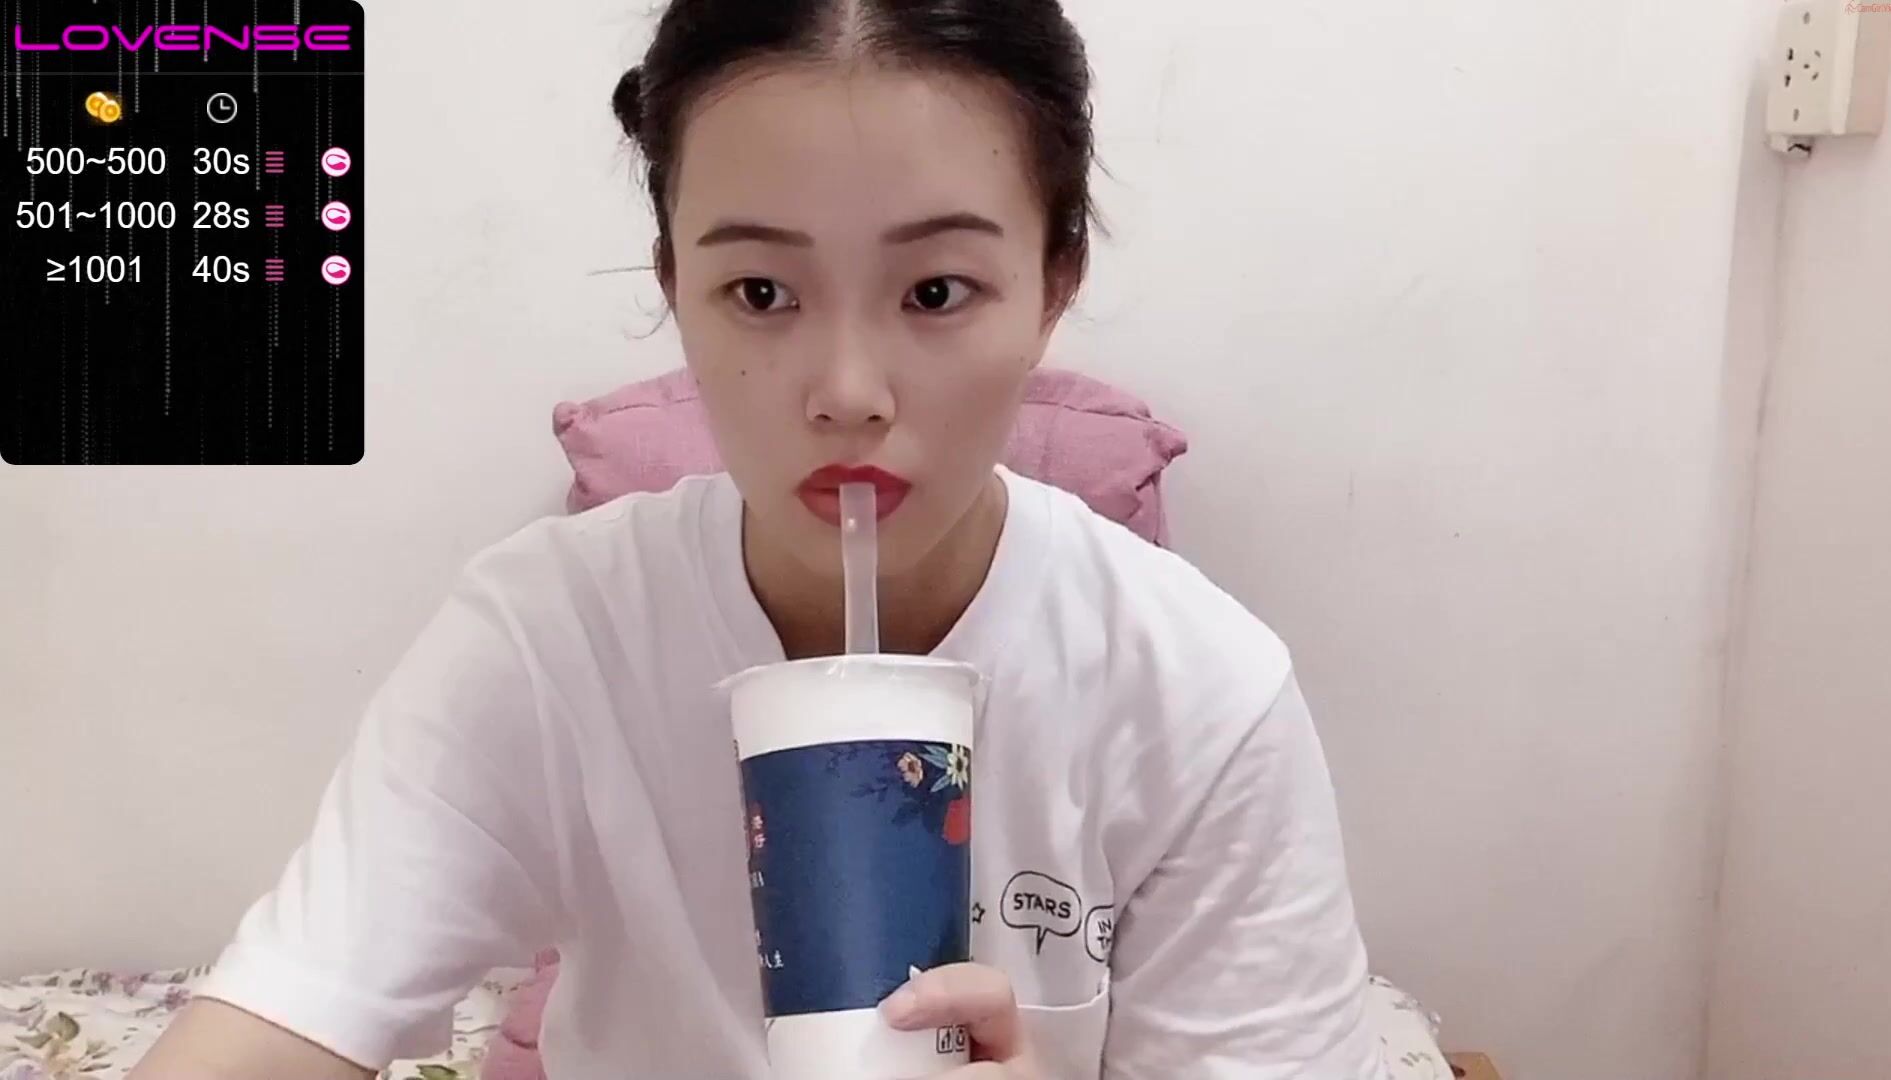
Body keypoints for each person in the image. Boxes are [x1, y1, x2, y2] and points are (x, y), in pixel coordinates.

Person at [132, 2, 1385, 1077]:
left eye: (936, 292)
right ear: (672, 283)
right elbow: (283, 1015)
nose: (847, 392)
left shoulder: (1197, 696)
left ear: (1056, 283)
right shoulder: (552, 637)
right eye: (762, 292)